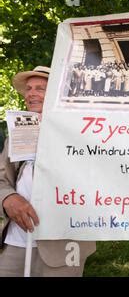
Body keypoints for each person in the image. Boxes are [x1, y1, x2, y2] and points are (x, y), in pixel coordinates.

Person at [0, 66, 96, 276]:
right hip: (16, 240)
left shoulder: (81, 131)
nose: (31, 93)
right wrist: (8, 198)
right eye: (29, 88)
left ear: (56, 93)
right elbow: (1, 178)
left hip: (63, 242)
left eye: (40, 88)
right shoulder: (18, 131)